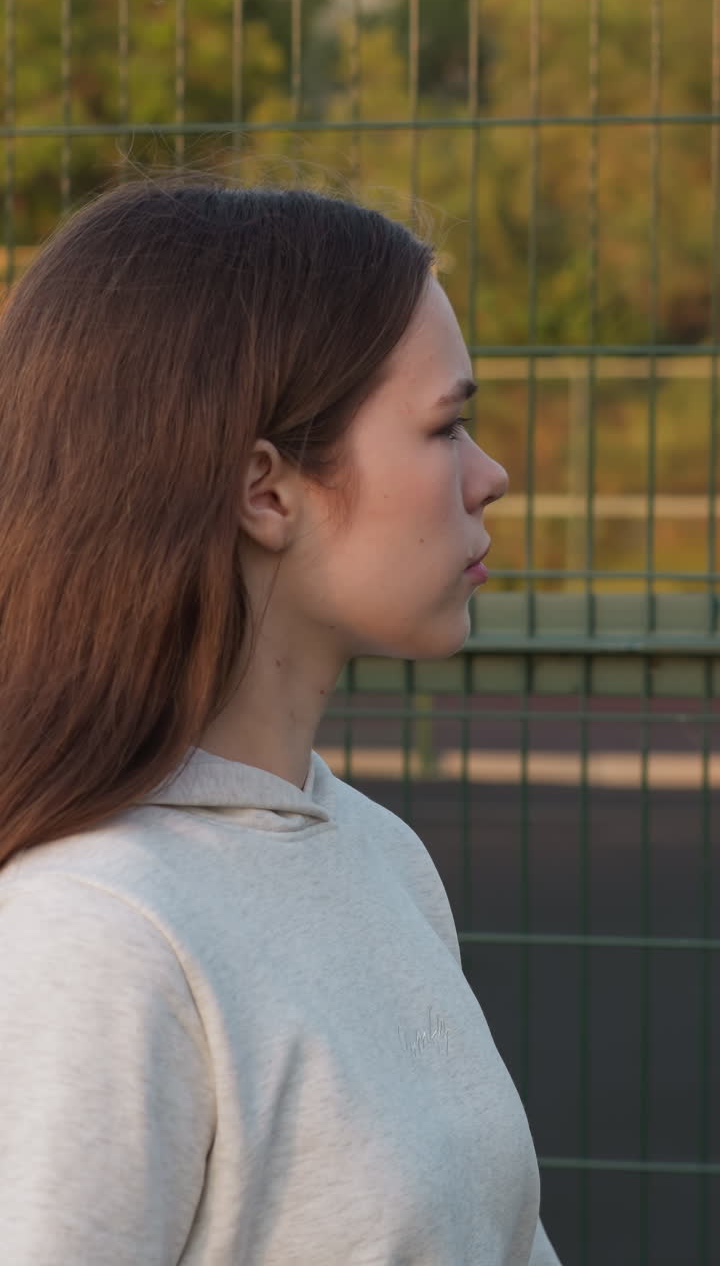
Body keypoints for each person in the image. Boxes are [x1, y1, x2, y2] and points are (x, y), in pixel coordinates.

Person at [0, 177, 561, 1265]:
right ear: (265, 490)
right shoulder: (94, 935)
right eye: (446, 425)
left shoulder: (379, 856)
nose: (490, 476)